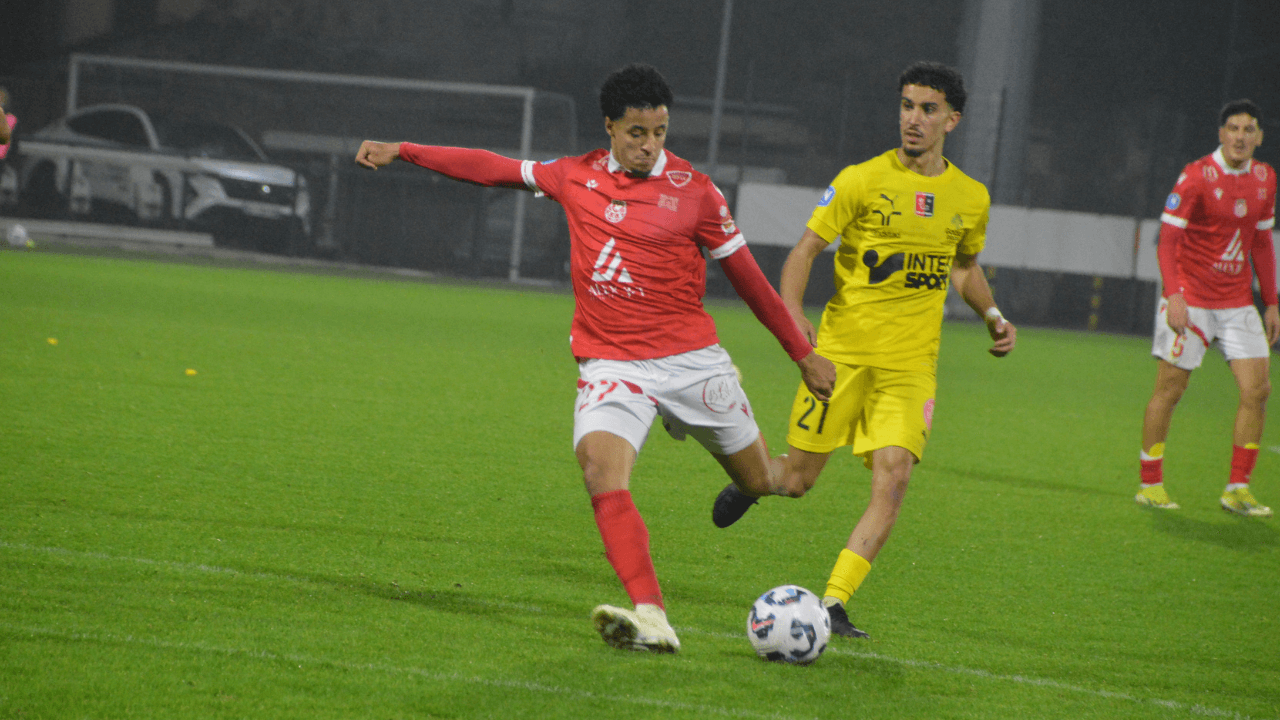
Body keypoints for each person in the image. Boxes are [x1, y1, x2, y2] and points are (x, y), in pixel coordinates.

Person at [354, 63, 836, 653]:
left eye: (659, 132)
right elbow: (491, 168)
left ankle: (758, 478)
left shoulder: (697, 193)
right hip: (613, 365)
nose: (650, 145)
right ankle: (652, 617)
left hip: (693, 363)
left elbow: (751, 283)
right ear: (609, 126)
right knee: (599, 470)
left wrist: (802, 354)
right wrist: (403, 150)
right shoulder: (573, 176)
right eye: (637, 132)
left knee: (769, 480)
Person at [712, 61, 1016, 638]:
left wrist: (993, 315)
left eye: (928, 109)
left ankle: (833, 604)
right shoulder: (859, 180)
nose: (913, 119)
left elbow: (966, 265)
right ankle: (754, 481)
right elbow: (805, 249)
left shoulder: (970, 197)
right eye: (907, 106)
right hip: (841, 357)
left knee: (894, 477)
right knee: (796, 480)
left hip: (911, 367)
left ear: (953, 119)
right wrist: (792, 316)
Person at [1136, 99, 1277, 518]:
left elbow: (1262, 243)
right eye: (1233, 128)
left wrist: (1271, 301)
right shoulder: (1197, 176)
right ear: (1221, 133)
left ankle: (1238, 488)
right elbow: (1168, 241)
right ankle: (1150, 484)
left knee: (1258, 390)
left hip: (1236, 301)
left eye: (1248, 129)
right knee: (1170, 390)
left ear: (1260, 136)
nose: (1240, 136)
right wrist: (1174, 295)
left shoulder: (1266, 178)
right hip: (1191, 299)